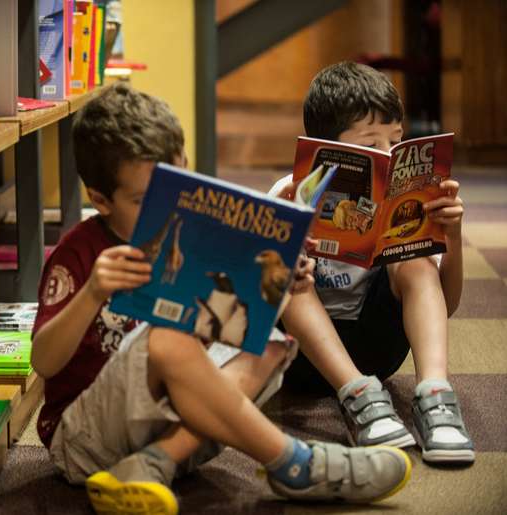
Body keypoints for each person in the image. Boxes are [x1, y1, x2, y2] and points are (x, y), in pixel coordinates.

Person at [30, 82, 411, 515]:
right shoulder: (79, 252)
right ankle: (295, 462)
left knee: (268, 339)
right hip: (84, 441)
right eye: (143, 199)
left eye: (176, 186)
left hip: (172, 422)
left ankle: (154, 462)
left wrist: (283, 279)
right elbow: (43, 361)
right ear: (100, 199)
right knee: (168, 338)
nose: (164, 206)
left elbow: (228, 316)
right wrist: (93, 293)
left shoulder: (188, 233)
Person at [272, 61, 472, 464]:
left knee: (414, 262)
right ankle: (358, 396)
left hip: (379, 349)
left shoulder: (407, 199)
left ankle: (435, 395)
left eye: (395, 141)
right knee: (288, 276)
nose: (387, 155)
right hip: (303, 356)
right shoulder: (288, 192)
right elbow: (251, 304)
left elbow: (445, 306)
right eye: (370, 145)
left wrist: (450, 235)